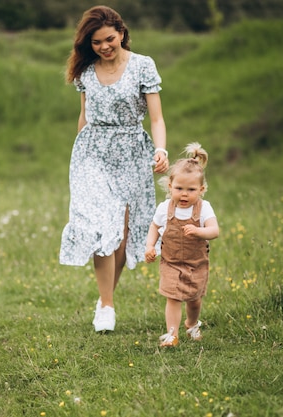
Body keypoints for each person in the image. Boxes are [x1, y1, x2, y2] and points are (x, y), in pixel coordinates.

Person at [59, 5, 169, 332]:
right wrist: (79, 155)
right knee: (97, 226)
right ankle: (107, 306)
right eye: (96, 43)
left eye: (109, 39)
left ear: (121, 33)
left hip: (132, 152)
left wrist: (160, 149)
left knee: (119, 234)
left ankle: (105, 298)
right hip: (92, 152)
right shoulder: (86, 71)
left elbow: (157, 118)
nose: (104, 47)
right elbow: (84, 115)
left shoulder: (142, 66)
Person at [144, 143, 220, 347]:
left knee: (194, 300)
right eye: (179, 188)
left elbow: (214, 231)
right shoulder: (164, 208)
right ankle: (172, 334)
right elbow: (154, 226)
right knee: (173, 297)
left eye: (191, 189)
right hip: (171, 262)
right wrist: (150, 246)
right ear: (170, 186)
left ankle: (191, 323)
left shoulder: (204, 208)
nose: (184, 194)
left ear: (201, 189)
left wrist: (198, 231)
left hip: (196, 264)